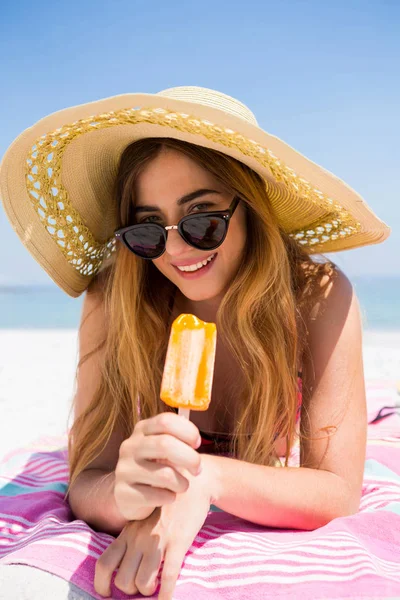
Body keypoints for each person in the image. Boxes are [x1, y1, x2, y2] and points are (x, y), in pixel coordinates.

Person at [0, 86, 390, 599]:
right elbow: (88, 479)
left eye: (202, 219)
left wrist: (205, 478)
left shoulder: (314, 297)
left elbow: (337, 492)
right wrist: (125, 494)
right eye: (147, 230)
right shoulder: (113, 300)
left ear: (251, 207)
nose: (177, 249)